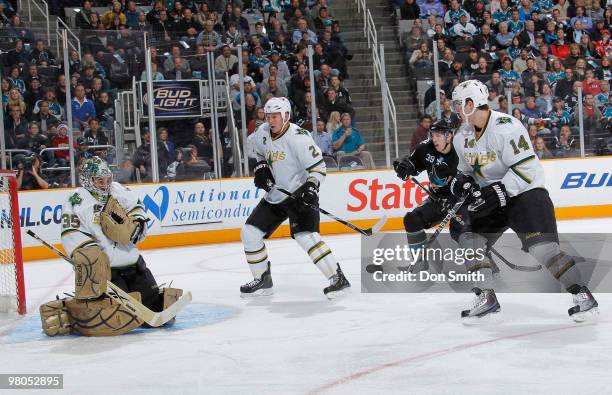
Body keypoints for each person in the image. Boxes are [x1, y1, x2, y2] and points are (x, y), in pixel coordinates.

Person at [450, 80, 598, 322]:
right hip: (492, 200)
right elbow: (466, 171)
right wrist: (462, 182)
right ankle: (485, 296)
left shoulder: (506, 126)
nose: (455, 109)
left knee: (543, 250)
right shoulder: (461, 136)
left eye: (458, 104)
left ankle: (582, 294)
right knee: (468, 235)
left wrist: (498, 191)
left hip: (526, 194)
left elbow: (526, 168)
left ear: (471, 103)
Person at [39, 157, 184, 337]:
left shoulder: (117, 190)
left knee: (152, 304)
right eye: (100, 180)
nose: (105, 184)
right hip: (108, 271)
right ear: (87, 179)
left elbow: (136, 205)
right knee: (118, 313)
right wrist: (92, 254)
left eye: (107, 179)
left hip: (134, 263)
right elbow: (71, 232)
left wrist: (137, 224)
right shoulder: (76, 199)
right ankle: (73, 314)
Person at [240, 97, 350, 299]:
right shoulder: (262, 133)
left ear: (286, 116)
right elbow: (258, 153)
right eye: (268, 116)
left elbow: (319, 169)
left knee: (305, 236)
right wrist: (261, 167)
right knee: (250, 233)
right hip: (276, 194)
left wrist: (310, 188)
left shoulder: (299, 138)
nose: (271, 121)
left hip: (300, 194)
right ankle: (263, 280)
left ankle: (338, 279)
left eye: (275, 116)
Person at [391, 119, 463, 273]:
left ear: (449, 136)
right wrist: (404, 168)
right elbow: (412, 165)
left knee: (462, 234)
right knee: (412, 220)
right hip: (437, 199)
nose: (434, 138)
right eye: (433, 134)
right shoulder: (426, 148)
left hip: (461, 200)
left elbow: (469, 181)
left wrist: (452, 200)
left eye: (439, 135)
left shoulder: (461, 152)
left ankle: (488, 266)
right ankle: (419, 262)